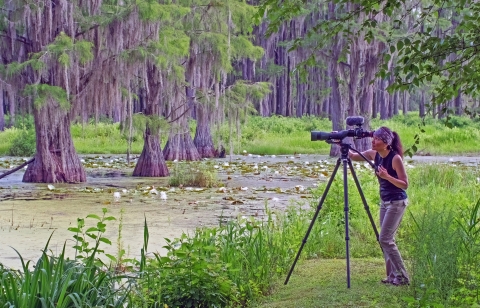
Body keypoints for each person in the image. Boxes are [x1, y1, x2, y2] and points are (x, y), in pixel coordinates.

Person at [348, 126, 410, 286]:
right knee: (385, 240)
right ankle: (392, 276)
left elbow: (404, 184)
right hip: (385, 202)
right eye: (373, 138)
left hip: (397, 202)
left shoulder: (395, 159)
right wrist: (341, 143)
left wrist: (387, 176)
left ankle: (403, 277)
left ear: (386, 142)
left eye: (376, 139)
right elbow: (354, 157)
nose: (373, 141)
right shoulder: (374, 154)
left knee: (385, 238)